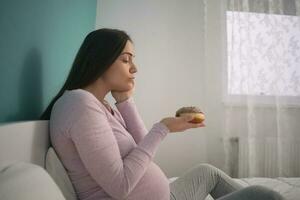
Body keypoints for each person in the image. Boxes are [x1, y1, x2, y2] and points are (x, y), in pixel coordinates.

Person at [40, 28, 284, 200]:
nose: (134, 69)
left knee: (207, 172)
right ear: (101, 60)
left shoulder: (101, 104)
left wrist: (124, 101)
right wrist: (163, 127)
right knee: (267, 196)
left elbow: (141, 150)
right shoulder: (80, 104)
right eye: (126, 60)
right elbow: (120, 186)